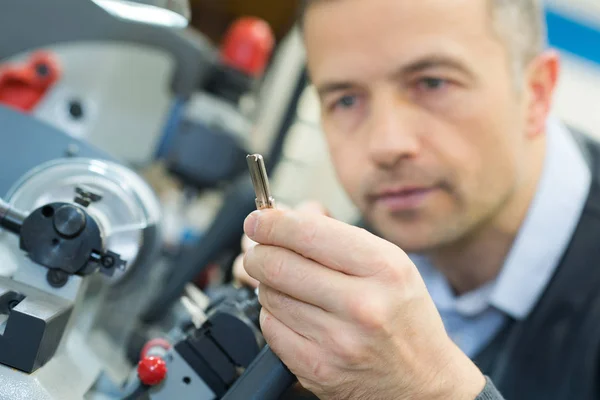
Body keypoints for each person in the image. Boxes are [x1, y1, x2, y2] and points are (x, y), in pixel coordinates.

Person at [234, 0, 600, 399]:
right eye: (346, 100)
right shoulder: (385, 227)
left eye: (433, 83)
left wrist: (432, 390)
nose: (386, 145)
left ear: (536, 93)